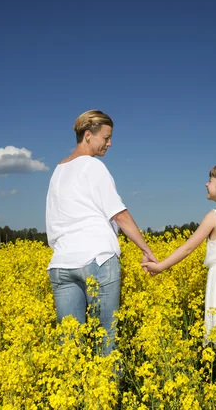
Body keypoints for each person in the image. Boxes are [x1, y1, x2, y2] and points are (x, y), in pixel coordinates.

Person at [46, 109, 157, 354]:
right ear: (88, 135)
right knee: (106, 340)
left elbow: (52, 225)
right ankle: (105, 392)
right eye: (106, 138)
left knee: (70, 343)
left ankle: (73, 392)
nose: (110, 143)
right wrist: (146, 250)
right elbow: (119, 215)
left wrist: (65, 250)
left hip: (61, 264)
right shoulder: (93, 167)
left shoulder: (57, 172)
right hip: (97, 260)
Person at [142, 164, 216, 359]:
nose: (206, 183)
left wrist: (160, 266)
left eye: (211, 180)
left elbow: (188, 247)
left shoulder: (214, 217)